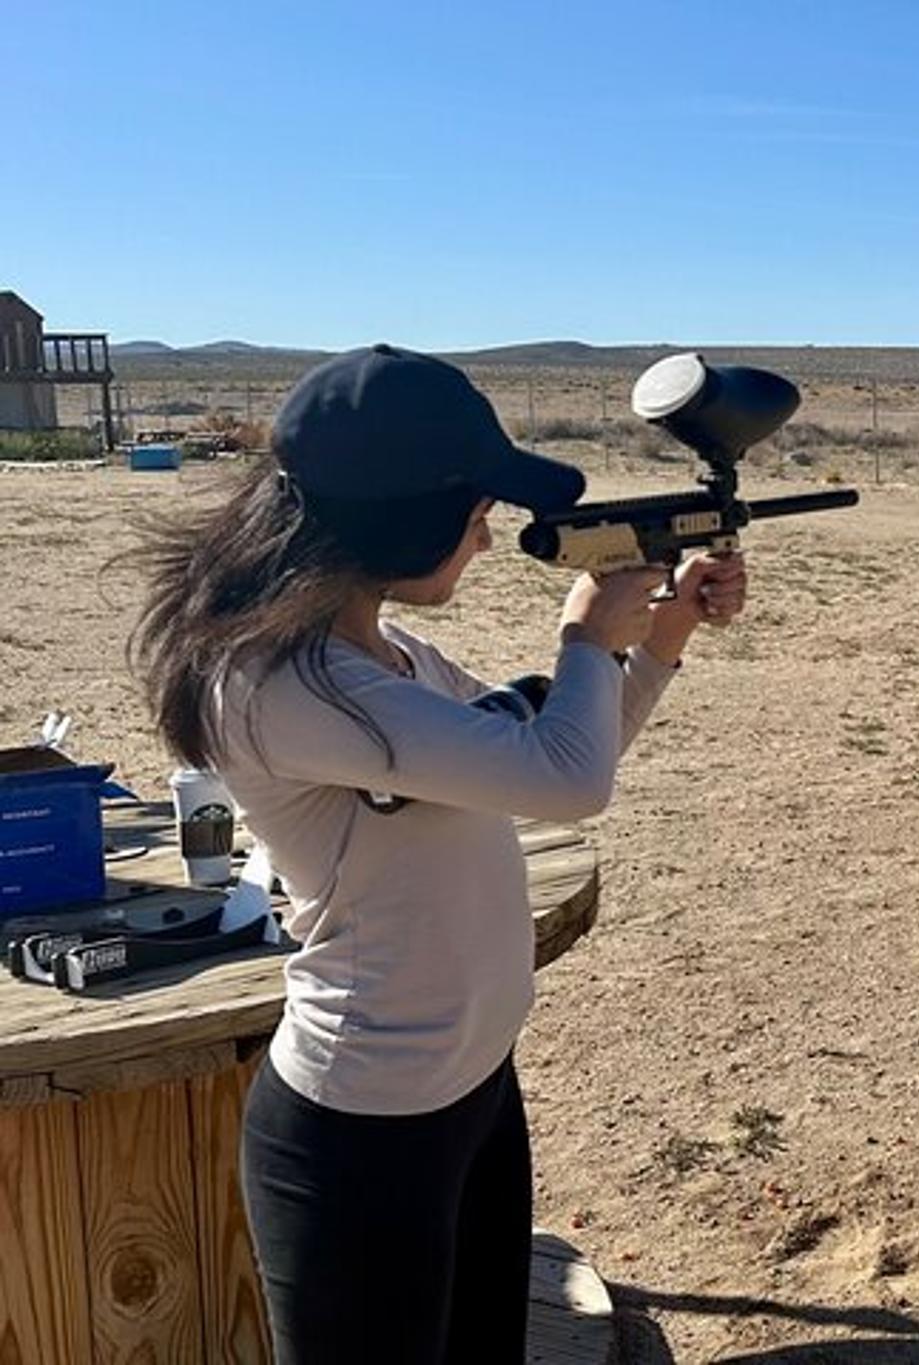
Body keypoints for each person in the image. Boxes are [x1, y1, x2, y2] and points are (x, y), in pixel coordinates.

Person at [129, 344, 748, 1363]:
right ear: (401, 519)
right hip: (363, 1131)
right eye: (474, 516)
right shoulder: (279, 684)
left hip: (468, 1091)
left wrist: (663, 634)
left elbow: (558, 756)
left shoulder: (391, 661)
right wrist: (588, 640)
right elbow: (568, 777)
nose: (488, 539)